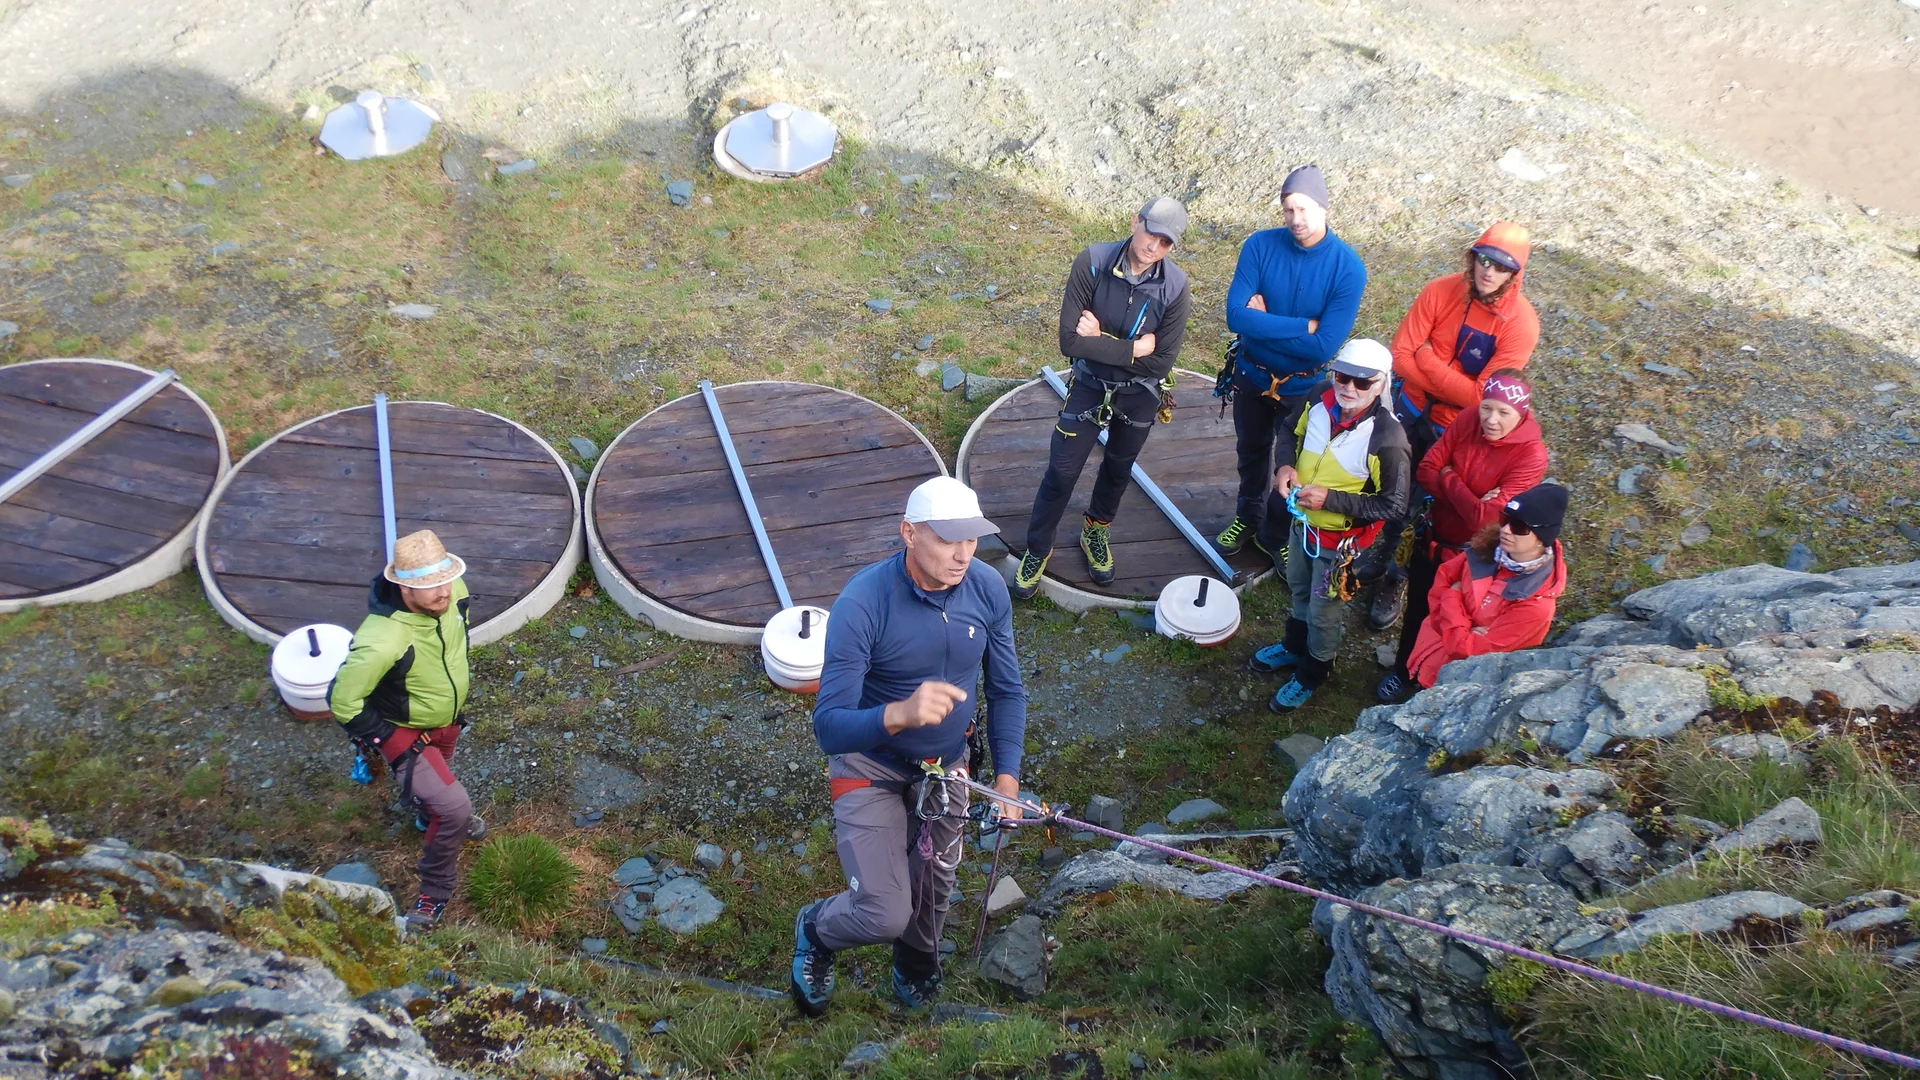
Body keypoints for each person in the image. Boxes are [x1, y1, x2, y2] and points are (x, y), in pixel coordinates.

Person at [793, 476, 1028, 1016]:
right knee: (884, 912)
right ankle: (816, 930)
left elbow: (1007, 690)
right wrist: (899, 714)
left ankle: (916, 963)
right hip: (869, 765)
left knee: (935, 886)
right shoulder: (863, 603)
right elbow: (829, 728)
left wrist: (1006, 782)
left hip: (947, 765)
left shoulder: (987, 588)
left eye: (971, 539)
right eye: (947, 540)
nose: (963, 554)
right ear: (909, 533)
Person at [1012, 197, 1193, 597]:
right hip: (1090, 384)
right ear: (1134, 221)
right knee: (1061, 470)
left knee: (1118, 468)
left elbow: (1161, 363)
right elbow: (1069, 342)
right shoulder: (1092, 262)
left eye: (1166, 242)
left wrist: (1099, 340)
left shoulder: (1176, 287)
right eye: (1151, 233)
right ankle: (1038, 547)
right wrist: (1134, 349)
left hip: (1140, 394)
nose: (1154, 246)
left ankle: (1096, 530)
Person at [1364, 222, 1540, 629]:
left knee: (1428, 507)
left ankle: (1396, 576)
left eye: (1502, 266)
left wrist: (1426, 359)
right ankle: (1376, 551)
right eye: (1484, 260)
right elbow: (1399, 356)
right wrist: (1443, 377)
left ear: (1515, 274)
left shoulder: (1520, 324)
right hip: (1411, 410)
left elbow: (1483, 398)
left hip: (1456, 429)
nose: (1489, 271)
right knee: (1385, 484)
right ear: (1473, 258)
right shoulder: (1440, 291)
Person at [329, 529, 487, 932]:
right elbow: (343, 699)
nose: (444, 591)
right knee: (454, 809)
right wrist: (386, 738)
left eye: (446, 579)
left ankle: (426, 813)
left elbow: (456, 638)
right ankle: (434, 892)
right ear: (403, 587)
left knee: (439, 792)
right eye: (430, 585)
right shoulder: (382, 639)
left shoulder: (453, 593)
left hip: (446, 719)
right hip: (403, 730)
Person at [1212, 165, 1368, 562]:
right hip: (1252, 375)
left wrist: (1263, 321)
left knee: (1295, 463)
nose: (1296, 219)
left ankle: (1276, 531)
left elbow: (1322, 348)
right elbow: (1235, 316)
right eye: (1288, 210)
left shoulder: (1348, 269)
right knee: (1250, 450)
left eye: (1304, 209)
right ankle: (1247, 516)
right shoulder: (1259, 246)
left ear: (1323, 208)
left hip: (1302, 388)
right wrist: (1303, 325)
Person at [1247, 338, 1409, 711]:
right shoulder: (1318, 396)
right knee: (1299, 588)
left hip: (1341, 545)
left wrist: (1330, 500)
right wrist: (1284, 466)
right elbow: (1290, 430)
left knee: (1324, 609)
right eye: (1342, 376)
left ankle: (1314, 671)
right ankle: (1294, 646)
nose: (1349, 388)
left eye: (1363, 382)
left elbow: (1394, 504)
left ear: (1381, 385)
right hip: (1303, 525)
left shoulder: (1388, 439)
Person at [1375, 370, 1549, 703]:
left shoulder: (1531, 455)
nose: (1491, 420)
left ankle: (1434, 689)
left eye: (1504, 412)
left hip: (1474, 557)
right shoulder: (1469, 418)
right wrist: (1472, 497)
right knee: (1418, 611)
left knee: (1455, 622)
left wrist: (1449, 475)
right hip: (1434, 539)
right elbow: (1426, 469)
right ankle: (1403, 671)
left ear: (1522, 413)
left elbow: (1485, 519)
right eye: (1487, 408)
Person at [1401, 483, 1568, 691]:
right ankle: (1407, 676)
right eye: (1506, 519)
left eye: (1519, 527)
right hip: (1429, 646)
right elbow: (1443, 579)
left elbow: (1467, 652)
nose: (1505, 530)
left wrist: (1452, 598)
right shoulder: (1489, 548)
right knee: (1411, 674)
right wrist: (1463, 630)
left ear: (1542, 539)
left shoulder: (1535, 607)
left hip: (1452, 681)